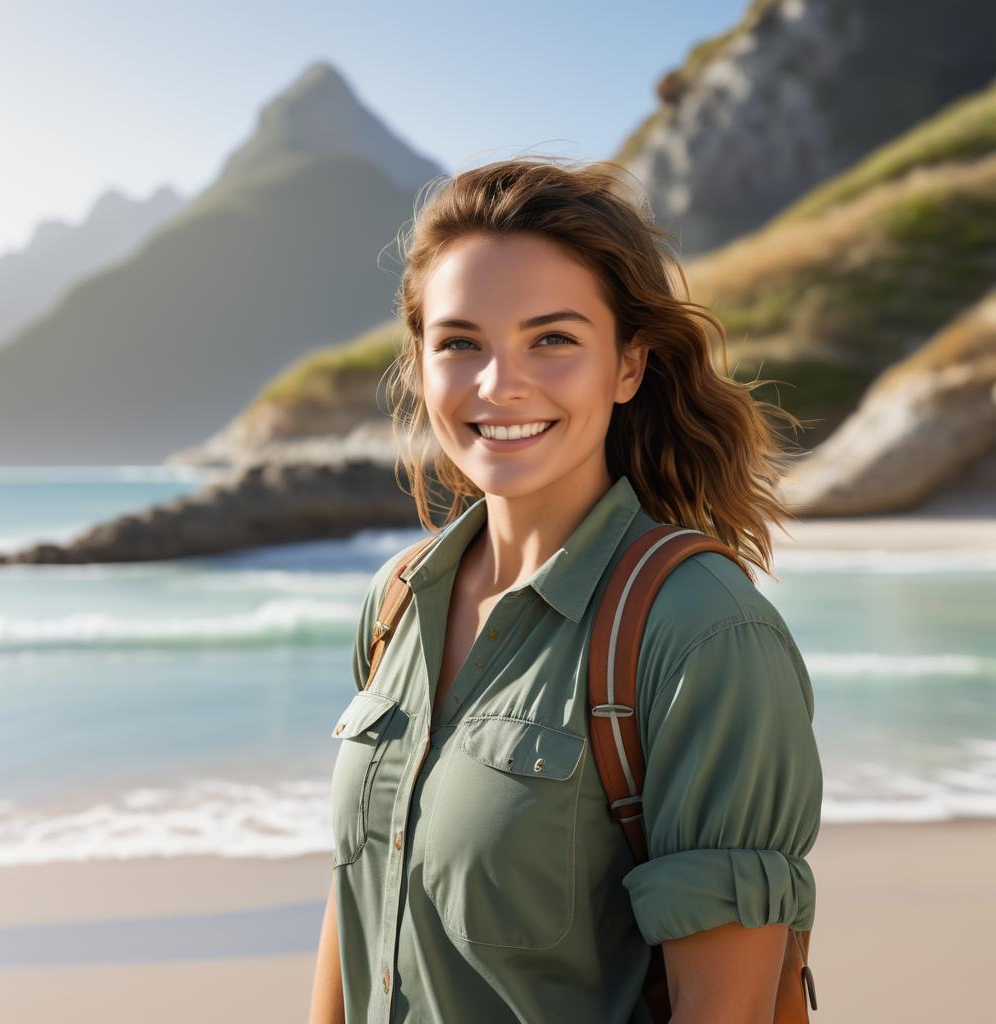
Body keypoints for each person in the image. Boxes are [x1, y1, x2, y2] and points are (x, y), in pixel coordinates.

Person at [309, 156, 822, 1024]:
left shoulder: (703, 633)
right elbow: (358, 905)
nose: (498, 384)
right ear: (422, 362)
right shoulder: (398, 600)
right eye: (460, 341)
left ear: (628, 366)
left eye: (552, 339)